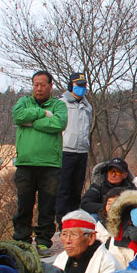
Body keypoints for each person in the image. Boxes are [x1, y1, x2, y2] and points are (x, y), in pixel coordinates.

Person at [12, 70, 68, 251]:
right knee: (24, 204)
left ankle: (43, 240)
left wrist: (33, 121)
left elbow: (59, 124)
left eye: (43, 84)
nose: (39, 88)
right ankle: (22, 239)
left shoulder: (59, 105)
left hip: (50, 163)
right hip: (25, 163)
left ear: (51, 86)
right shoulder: (23, 102)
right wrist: (42, 113)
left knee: (47, 205)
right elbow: (18, 116)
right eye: (36, 84)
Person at [52, 210, 120, 273]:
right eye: (64, 234)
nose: (67, 240)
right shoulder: (61, 259)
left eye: (73, 234)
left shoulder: (107, 263)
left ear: (91, 237)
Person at [56, 72, 93, 222]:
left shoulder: (87, 106)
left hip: (82, 151)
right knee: (63, 189)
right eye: (78, 85)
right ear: (71, 85)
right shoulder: (60, 103)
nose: (82, 88)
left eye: (84, 85)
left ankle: (73, 219)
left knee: (76, 189)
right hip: (65, 150)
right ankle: (61, 221)